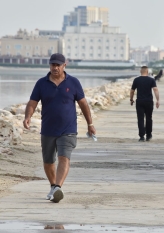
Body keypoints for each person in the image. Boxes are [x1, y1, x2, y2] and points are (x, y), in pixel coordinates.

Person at [23, 53, 96, 203]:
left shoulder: (73, 82)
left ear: (64, 65)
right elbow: (32, 103)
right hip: (48, 128)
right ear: (49, 65)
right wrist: (28, 117)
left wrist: (90, 124)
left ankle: (58, 187)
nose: (55, 68)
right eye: (52, 65)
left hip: (68, 129)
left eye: (58, 65)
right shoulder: (41, 83)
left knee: (64, 157)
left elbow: (83, 104)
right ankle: (53, 187)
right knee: (48, 161)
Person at [130, 66, 160, 142]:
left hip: (139, 101)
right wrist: (158, 100)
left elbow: (132, 91)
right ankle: (149, 135)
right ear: (147, 71)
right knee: (149, 118)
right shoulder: (151, 80)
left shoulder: (136, 80)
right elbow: (155, 89)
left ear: (140, 71)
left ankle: (141, 136)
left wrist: (131, 99)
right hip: (149, 101)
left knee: (140, 119)